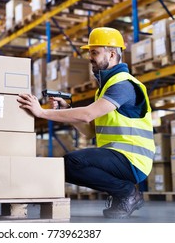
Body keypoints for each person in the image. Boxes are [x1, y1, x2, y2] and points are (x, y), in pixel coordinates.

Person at [17, 27, 155, 219]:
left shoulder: (123, 85)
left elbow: (87, 114)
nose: (90, 57)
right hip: (118, 157)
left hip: (132, 160)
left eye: (95, 52)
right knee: (68, 165)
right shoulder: (105, 89)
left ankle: (126, 193)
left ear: (112, 53)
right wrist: (65, 110)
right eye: (90, 53)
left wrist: (41, 112)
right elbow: (89, 132)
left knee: (71, 162)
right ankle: (124, 192)